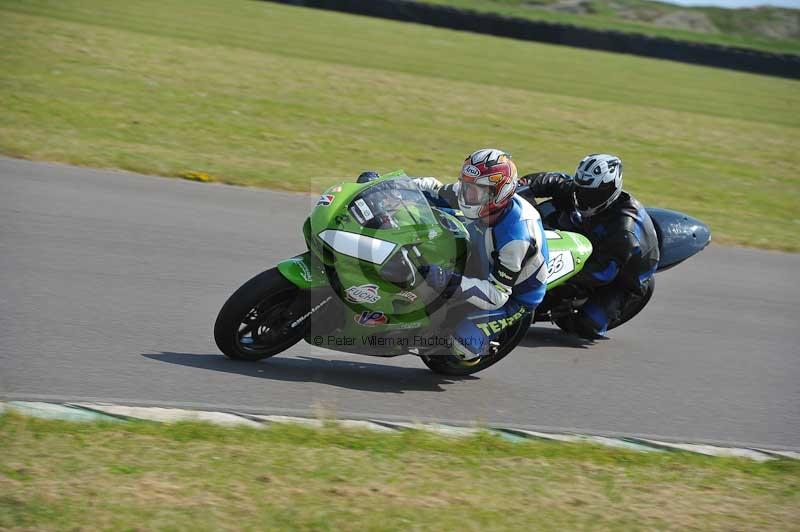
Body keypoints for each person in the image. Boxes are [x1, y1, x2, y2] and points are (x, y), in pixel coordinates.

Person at [408, 148, 550, 361]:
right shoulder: (475, 193)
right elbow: (433, 189)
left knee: (462, 344)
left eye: (475, 191)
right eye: (466, 186)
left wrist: (449, 281)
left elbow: (498, 295)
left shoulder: (516, 238)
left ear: (498, 194)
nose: (466, 195)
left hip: (514, 295)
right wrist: (390, 186)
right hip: (479, 253)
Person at [518, 154, 660, 339]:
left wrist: (550, 271)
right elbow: (551, 181)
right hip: (590, 235)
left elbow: (601, 273)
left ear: (612, 189)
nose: (585, 197)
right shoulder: (581, 191)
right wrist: (519, 185)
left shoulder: (624, 232)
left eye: (594, 193)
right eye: (581, 190)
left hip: (621, 275)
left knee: (584, 327)